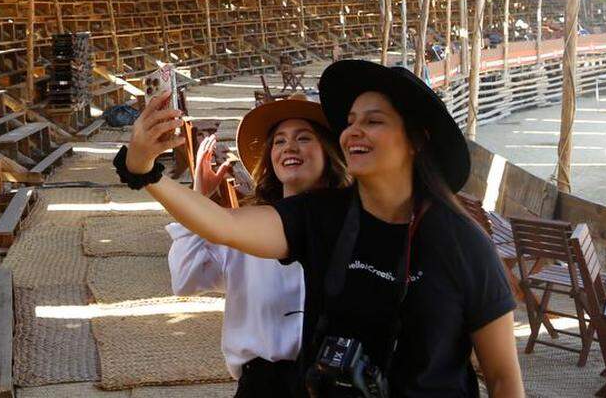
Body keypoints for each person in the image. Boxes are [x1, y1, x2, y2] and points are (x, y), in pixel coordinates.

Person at [118, 60, 523, 397]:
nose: (354, 131)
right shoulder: (322, 217)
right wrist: (143, 170)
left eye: (374, 121)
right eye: (350, 121)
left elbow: (504, 377)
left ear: (417, 139)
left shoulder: (464, 243)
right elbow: (223, 224)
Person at [167, 96, 351, 397]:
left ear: (329, 152)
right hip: (264, 385)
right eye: (279, 141)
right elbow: (186, 279)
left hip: (335, 382)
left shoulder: (354, 227)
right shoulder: (244, 229)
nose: (289, 147)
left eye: (304, 138)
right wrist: (199, 197)